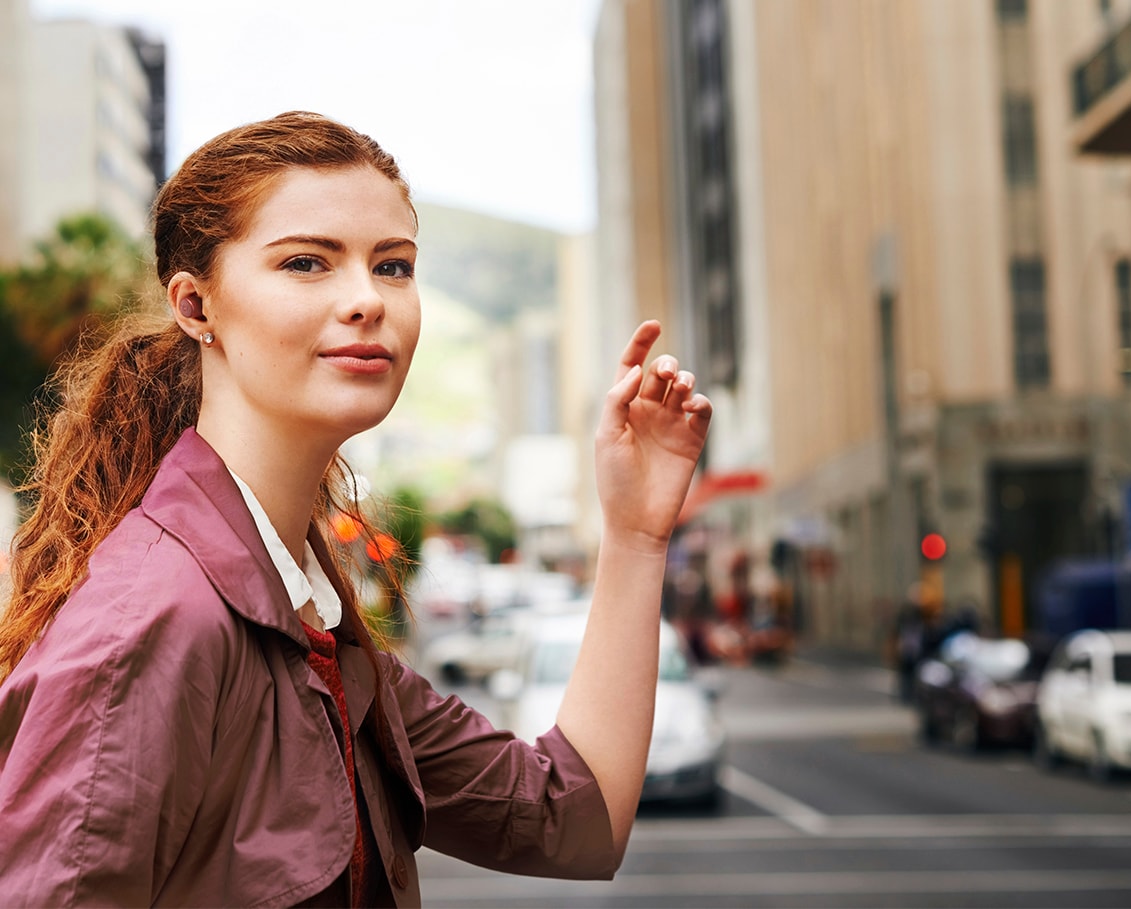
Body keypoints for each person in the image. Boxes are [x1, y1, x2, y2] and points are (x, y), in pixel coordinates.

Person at [0, 111, 712, 907]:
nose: (367, 299)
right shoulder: (154, 617)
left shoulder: (312, 619)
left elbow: (572, 817)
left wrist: (636, 533)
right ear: (196, 307)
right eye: (307, 262)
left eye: (395, 265)